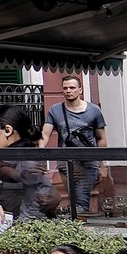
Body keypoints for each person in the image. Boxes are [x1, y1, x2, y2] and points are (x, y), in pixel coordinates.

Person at [42, 74, 105, 217]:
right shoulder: (55, 110)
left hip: (88, 160)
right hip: (65, 161)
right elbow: (45, 134)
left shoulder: (94, 110)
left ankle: (80, 226)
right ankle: (78, 225)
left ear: (80, 90)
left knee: (81, 200)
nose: (68, 91)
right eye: (65, 88)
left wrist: (103, 165)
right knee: (73, 197)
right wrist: (39, 151)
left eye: (72, 87)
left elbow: (101, 138)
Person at [0, 103, 50, 222]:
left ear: (8, 130)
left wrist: (17, 233)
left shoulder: (28, 161)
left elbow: (33, 206)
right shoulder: (7, 156)